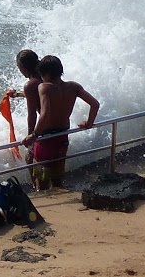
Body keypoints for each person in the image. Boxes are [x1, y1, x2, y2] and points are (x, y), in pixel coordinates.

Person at [7, 51, 99, 191]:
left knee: (40, 180)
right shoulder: (73, 86)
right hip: (63, 135)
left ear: (47, 75)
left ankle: (43, 202)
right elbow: (95, 104)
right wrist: (89, 123)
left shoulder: (44, 87)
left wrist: (33, 135)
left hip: (45, 138)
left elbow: (44, 114)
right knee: (57, 177)